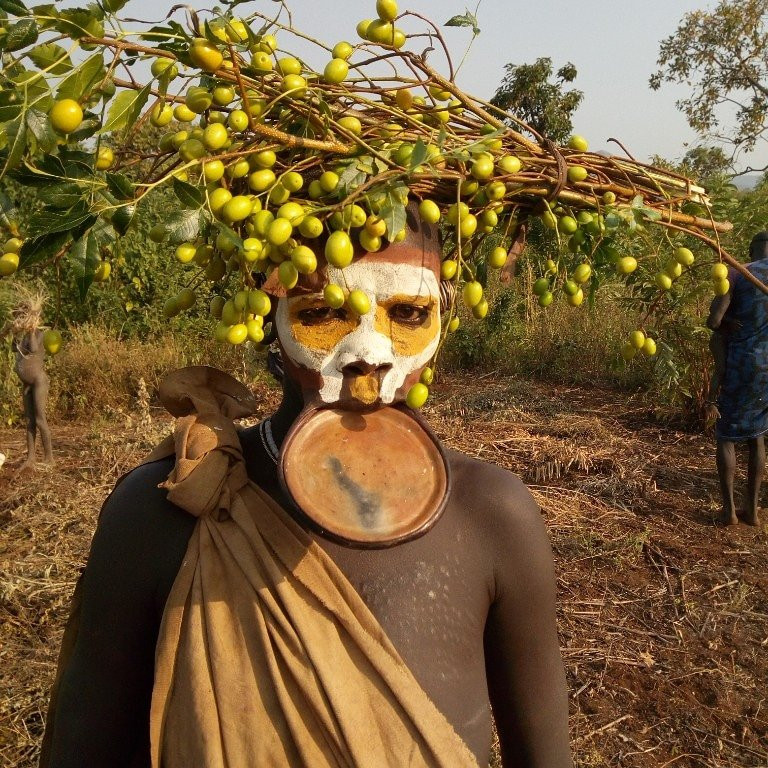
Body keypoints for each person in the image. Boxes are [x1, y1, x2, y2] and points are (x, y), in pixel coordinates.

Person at [41, 211, 572, 767]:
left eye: (409, 314)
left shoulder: (491, 515)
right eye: (321, 315)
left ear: (443, 313)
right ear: (269, 315)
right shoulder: (168, 508)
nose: (370, 352)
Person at [706, 231, 768, 526]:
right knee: (757, 436)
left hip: (744, 364)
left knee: (727, 437)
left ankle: (729, 511)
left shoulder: (738, 273)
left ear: (750, 248)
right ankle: (753, 511)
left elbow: (714, 321)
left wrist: (728, 322)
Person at [1, 291, 53, 469]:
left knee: (40, 420)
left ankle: (49, 459)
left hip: (38, 381)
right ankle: (31, 458)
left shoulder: (38, 334)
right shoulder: (23, 336)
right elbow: (15, 350)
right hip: (27, 384)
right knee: (29, 421)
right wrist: (11, 331)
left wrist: (31, 328)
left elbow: (32, 348)